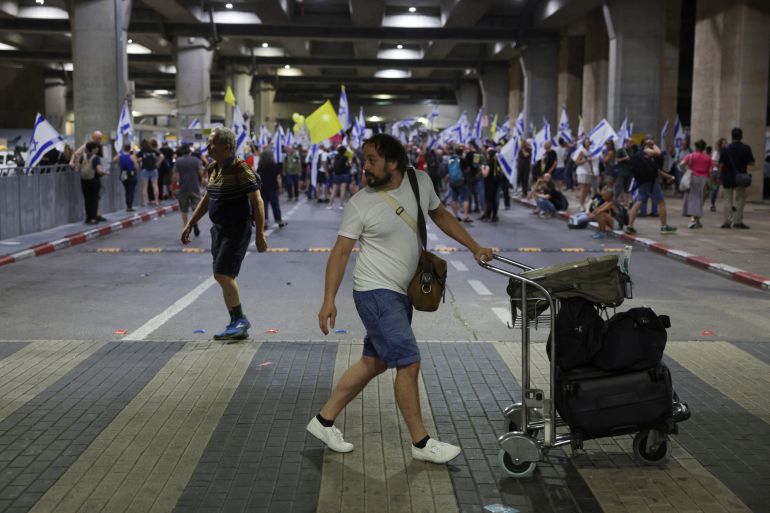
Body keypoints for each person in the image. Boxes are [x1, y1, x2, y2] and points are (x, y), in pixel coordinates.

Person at [309, 134, 494, 464]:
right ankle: (422, 443)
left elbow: (441, 215)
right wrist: (328, 300)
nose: (364, 167)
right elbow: (339, 253)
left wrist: (475, 246)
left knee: (375, 361)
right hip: (375, 293)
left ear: (392, 163)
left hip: (401, 292)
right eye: (363, 160)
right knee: (408, 362)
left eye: (371, 160)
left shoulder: (418, 181)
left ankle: (323, 421)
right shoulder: (360, 203)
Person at [181, 127, 267, 341]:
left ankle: (240, 320)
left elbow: (257, 202)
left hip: (237, 229)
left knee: (222, 274)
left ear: (227, 147)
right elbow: (208, 199)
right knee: (223, 275)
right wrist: (190, 222)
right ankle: (235, 322)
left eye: (212, 143)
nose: (208, 147)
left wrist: (260, 235)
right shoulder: (213, 169)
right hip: (218, 230)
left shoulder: (241, 169)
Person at [624, 136, 677, 234]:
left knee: (638, 202)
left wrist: (669, 176)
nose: (654, 146)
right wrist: (652, 144)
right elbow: (659, 152)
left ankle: (629, 226)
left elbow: (657, 170)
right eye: (652, 144)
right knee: (661, 202)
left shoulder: (640, 155)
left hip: (642, 182)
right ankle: (664, 226)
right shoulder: (648, 152)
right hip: (651, 183)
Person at [719, 127, 755, 229]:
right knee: (740, 199)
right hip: (740, 177)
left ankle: (726, 221)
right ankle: (737, 221)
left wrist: (718, 177)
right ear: (741, 136)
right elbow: (752, 162)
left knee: (727, 199)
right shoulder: (746, 148)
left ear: (732, 136)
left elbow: (721, 164)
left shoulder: (725, 149)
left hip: (727, 177)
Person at [679, 139, 713, 229]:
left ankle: (693, 221)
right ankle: (697, 220)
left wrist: (686, 171)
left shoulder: (691, 156)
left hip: (693, 178)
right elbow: (710, 171)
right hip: (704, 179)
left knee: (693, 200)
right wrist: (711, 181)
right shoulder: (708, 158)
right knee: (700, 200)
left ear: (696, 147)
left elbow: (681, 164)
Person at [173, 144, 205, 237]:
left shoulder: (178, 161)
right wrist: (203, 180)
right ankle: (194, 224)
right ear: (189, 151)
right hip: (194, 188)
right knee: (196, 209)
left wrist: (174, 188)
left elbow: (175, 176)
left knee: (184, 210)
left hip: (183, 189)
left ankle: (186, 229)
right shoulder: (196, 160)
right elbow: (200, 173)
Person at [256, 149, 287, 230]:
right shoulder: (275, 166)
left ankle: (265, 221)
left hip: (263, 189)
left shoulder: (260, 167)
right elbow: (278, 178)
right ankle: (279, 220)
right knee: (275, 205)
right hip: (273, 188)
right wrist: (280, 188)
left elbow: (257, 178)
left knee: (264, 206)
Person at [78, 142, 108, 225]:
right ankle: (93, 219)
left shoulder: (82, 157)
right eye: (96, 147)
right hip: (94, 180)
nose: (98, 149)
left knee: (87, 200)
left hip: (84, 180)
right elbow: (99, 170)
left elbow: (78, 168)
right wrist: (105, 173)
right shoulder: (96, 158)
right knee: (94, 199)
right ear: (93, 149)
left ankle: (88, 218)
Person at [114, 144, 139, 212]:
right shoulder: (132, 156)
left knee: (127, 190)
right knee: (131, 191)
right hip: (131, 173)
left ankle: (128, 205)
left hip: (123, 173)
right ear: (129, 149)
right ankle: (129, 206)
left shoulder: (120, 155)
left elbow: (114, 161)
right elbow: (137, 166)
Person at [138, 139, 164, 207]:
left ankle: (145, 202)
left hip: (145, 169)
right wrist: (158, 163)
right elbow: (161, 156)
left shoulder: (142, 151)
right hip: (154, 169)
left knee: (145, 187)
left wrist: (138, 163)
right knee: (155, 185)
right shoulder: (153, 150)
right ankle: (156, 201)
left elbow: (135, 156)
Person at [328, 145, 352, 210]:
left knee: (334, 190)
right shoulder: (346, 157)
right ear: (344, 151)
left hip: (336, 175)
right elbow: (349, 165)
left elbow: (333, 165)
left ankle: (330, 205)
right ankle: (341, 205)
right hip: (344, 175)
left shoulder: (335, 157)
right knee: (342, 190)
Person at [574, 137, 594, 211]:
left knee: (587, 189)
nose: (588, 143)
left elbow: (590, 162)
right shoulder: (582, 151)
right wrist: (585, 160)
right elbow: (577, 162)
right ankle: (581, 204)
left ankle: (583, 202)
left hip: (588, 171)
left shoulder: (589, 151)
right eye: (586, 142)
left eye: (588, 141)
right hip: (582, 171)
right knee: (583, 188)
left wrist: (592, 170)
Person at [710, 138, 726, 212]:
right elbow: (713, 162)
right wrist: (721, 164)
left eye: (726, 143)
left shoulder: (725, 152)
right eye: (723, 143)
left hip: (723, 172)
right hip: (716, 173)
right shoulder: (716, 152)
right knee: (715, 189)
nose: (725, 145)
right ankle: (712, 204)